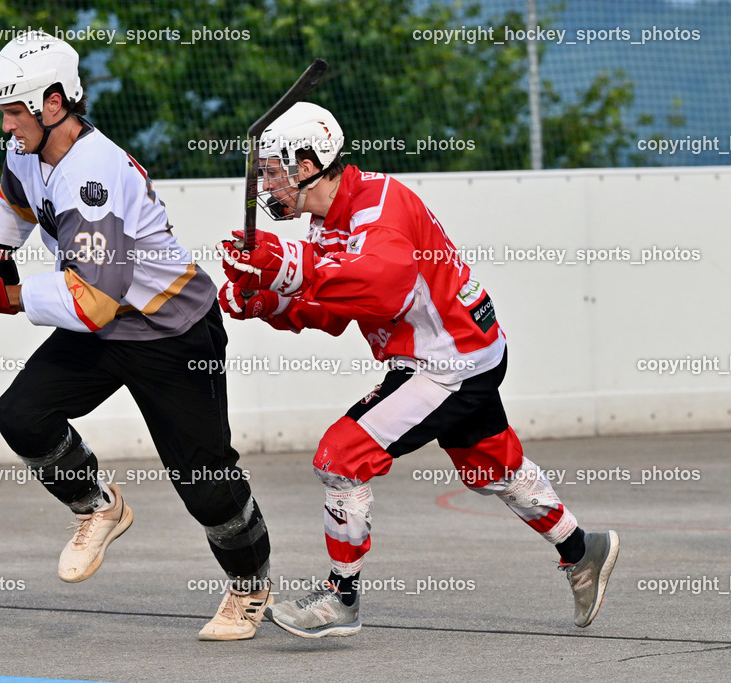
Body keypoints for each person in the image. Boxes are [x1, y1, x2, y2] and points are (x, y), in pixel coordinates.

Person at [217, 102, 619, 639]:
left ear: (308, 165)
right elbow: (334, 311)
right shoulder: (325, 222)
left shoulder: (378, 205)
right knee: (493, 470)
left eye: (272, 171)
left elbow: (384, 287)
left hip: (447, 362)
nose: (266, 184)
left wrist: (288, 266)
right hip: (462, 351)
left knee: (341, 458)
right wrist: (266, 300)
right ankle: (582, 549)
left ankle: (341, 598)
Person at [0, 31, 272, 641]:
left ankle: (250, 586)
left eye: (14, 112)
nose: (6, 125)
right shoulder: (28, 147)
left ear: (55, 103)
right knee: (23, 416)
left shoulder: (93, 177)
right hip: (106, 322)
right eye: (3, 112)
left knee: (205, 483)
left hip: (171, 330)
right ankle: (99, 506)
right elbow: (14, 205)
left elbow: (93, 300)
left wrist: (4, 297)